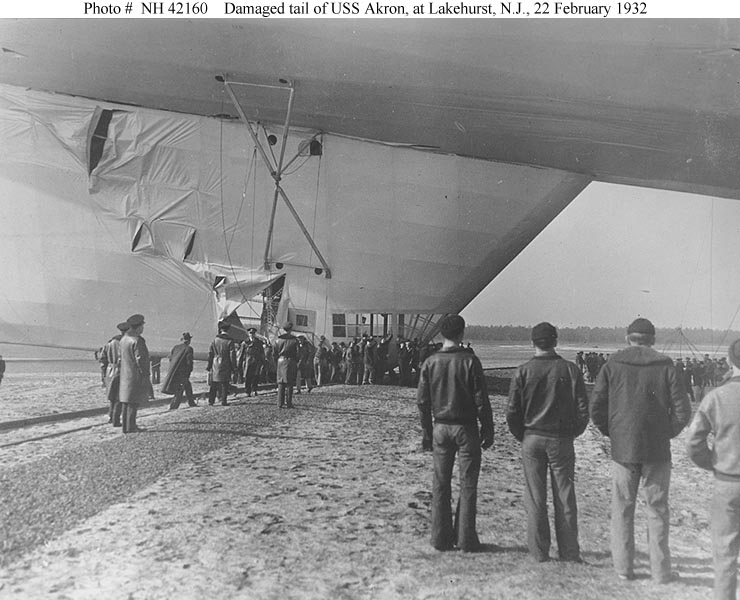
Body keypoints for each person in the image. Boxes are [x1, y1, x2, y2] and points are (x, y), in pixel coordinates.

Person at [590, 317, 691, 583]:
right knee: (657, 509)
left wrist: (615, 433)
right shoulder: (666, 366)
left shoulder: (612, 365)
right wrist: (665, 433)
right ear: (653, 339)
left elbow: (597, 409)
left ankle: (624, 568)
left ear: (627, 338)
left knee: (622, 508)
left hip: (624, 449)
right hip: (658, 450)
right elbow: (682, 411)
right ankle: (660, 571)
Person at [507, 322, 589, 563]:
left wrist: (522, 435)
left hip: (532, 437)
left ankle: (539, 552)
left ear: (532, 343)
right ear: (555, 341)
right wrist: (573, 432)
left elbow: (512, 411)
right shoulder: (570, 370)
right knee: (565, 495)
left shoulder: (522, 371)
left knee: (535, 496)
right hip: (561, 439)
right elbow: (583, 409)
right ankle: (569, 552)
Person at [417, 314, 494, 552]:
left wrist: (427, 433)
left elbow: (422, 401)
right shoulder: (471, 361)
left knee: (440, 483)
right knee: (468, 482)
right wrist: (487, 427)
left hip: (440, 426)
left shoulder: (430, 362)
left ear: (441, 334)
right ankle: (466, 539)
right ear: (462, 333)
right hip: (466, 427)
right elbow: (481, 399)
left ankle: (440, 538)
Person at [687, 339, 740, 600]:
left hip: (727, 480)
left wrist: (713, 463)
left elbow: (694, 441)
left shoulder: (716, 397)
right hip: (727, 476)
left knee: (725, 551)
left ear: (730, 362)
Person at [118, 314, 152, 433]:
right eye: (142, 325)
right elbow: (141, 359)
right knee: (133, 402)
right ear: (139, 327)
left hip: (125, 375)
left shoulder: (123, 339)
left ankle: (126, 427)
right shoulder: (138, 340)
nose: (143, 328)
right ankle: (131, 427)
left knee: (126, 402)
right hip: (135, 375)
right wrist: (146, 374)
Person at [104, 321, 129, 427]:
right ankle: (116, 420)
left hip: (110, 371)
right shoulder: (123, 342)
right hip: (120, 371)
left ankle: (111, 416)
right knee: (119, 397)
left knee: (112, 396)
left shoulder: (110, 342)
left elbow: (102, 358)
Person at [162, 332, 196, 410]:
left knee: (187, 386)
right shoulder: (189, 349)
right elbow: (189, 362)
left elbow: (171, 359)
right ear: (189, 340)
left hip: (174, 371)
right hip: (183, 373)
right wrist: (189, 371)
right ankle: (174, 406)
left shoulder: (175, 347)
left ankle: (191, 402)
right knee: (180, 389)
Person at [207, 321, 235, 406]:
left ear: (220, 330)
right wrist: (234, 367)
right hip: (225, 363)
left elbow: (210, 353)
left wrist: (209, 365)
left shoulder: (215, 340)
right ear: (228, 330)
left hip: (215, 363)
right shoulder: (230, 341)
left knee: (214, 383)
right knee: (224, 383)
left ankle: (211, 401)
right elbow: (232, 356)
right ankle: (223, 401)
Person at [274, 321, 299, 408]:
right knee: (290, 383)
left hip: (280, 361)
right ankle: (289, 403)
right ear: (290, 329)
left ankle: (279, 403)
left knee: (280, 382)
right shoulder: (294, 340)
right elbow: (298, 353)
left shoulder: (278, 340)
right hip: (290, 362)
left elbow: (274, 353)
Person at [243, 328, 265, 397]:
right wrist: (239, 364)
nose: (252, 335)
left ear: (255, 334)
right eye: (250, 333)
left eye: (253, 333)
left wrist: (263, 362)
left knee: (255, 376)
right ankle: (247, 391)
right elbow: (241, 354)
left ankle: (254, 390)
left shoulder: (258, 342)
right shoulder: (245, 343)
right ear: (248, 334)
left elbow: (262, 353)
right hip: (248, 361)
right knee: (247, 377)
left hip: (256, 361)